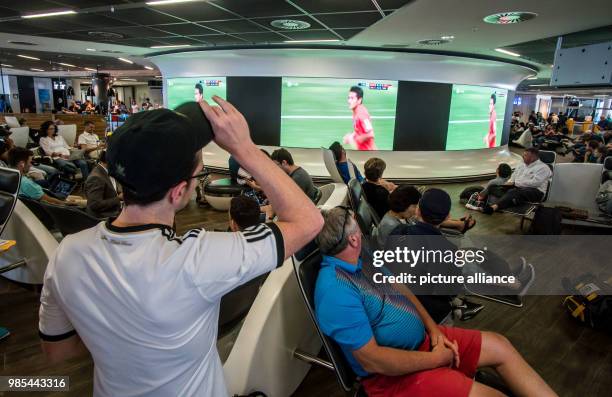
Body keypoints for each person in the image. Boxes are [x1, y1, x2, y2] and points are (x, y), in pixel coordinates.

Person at [37, 97, 324, 397]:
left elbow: (56, 351)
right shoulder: (199, 258)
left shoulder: (67, 252)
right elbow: (308, 222)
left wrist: (116, 333)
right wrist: (245, 148)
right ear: (178, 192)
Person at [315, 207, 557, 397]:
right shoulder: (335, 291)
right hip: (392, 379)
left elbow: (400, 287)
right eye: (358, 227)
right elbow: (374, 361)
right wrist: (438, 359)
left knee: (500, 345)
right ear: (354, 239)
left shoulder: (361, 257)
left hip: (425, 341)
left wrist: (433, 330)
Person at [389, 189, 483, 322]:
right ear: (447, 217)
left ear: (418, 211)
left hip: (397, 304)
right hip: (430, 313)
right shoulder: (448, 251)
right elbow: (451, 290)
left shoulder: (398, 232)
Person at [483, 148, 552, 214]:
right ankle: (514, 200)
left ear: (533, 157)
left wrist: (515, 184)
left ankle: (494, 207)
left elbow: (535, 183)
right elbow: (513, 176)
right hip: (517, 189)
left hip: (535, 191)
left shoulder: (543, 168)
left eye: (525, 155)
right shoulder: (521, 164)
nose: (522, 156)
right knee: (492, 187)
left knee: (513, 191)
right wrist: (508, 183)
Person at [84, 150, 122, 218]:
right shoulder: (96, 178)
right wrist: (119, 198)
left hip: (114, 208)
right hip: (104, 215)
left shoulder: (107, 171)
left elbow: (112, 189)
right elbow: (95, 205)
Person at [344, 86, 377, 150]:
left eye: (352, 98)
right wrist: (351, 136)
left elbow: (371, 134)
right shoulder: (355, 111)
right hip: (363, 153)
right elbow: (359, 129)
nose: (349, 101)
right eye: (349, 98)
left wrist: (355, 139)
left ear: (359, 100)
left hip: (369, 154)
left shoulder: (362, 115)